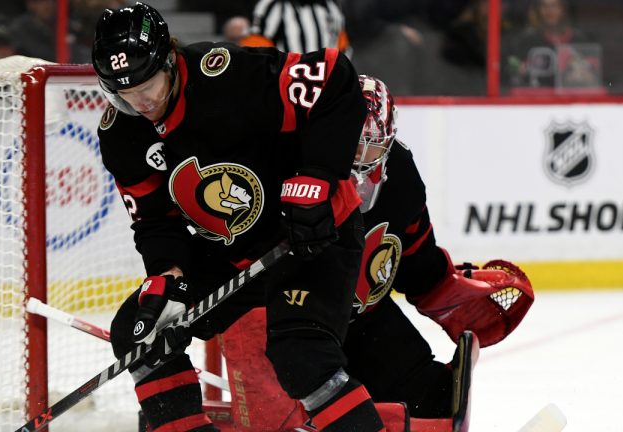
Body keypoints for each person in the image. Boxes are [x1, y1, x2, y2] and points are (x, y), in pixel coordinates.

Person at [92, 2, 387, 431]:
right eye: (125, 93)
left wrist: (316, 179)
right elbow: (155, 221)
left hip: (312, 234)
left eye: (148, 85)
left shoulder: (227, 76)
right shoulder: (121, 132)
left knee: (302, 359)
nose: (142, 101)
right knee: (138, 333)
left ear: (170, 59)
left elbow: (334, 77)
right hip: (234, 251)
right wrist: (168, 275)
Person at [218, 75, 535, 430]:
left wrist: (443, 285)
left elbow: (414, 252)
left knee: (430, 401)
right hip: (282, 322)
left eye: (369, 147)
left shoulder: (399, 174)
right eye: (347, 143)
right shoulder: (279, 164)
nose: (357, 159)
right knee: (291, 419)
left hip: (359, 316)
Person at [502, 0, 594, 89]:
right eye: (544, 6)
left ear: (563, 10)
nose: (549, 10)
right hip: (537, 96)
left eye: (554, 5)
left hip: (572, 96)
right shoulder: (527, 40)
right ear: (538, 10)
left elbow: (592, 75)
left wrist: (587, 75)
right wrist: (517, 70)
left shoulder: (578, 39)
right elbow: (511, 69)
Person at [241, 0, 349, 53]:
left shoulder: (330, 6)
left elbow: (341, 45)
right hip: (289, 85)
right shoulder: (273, 6)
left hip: (330, 83)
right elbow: (255, 54)